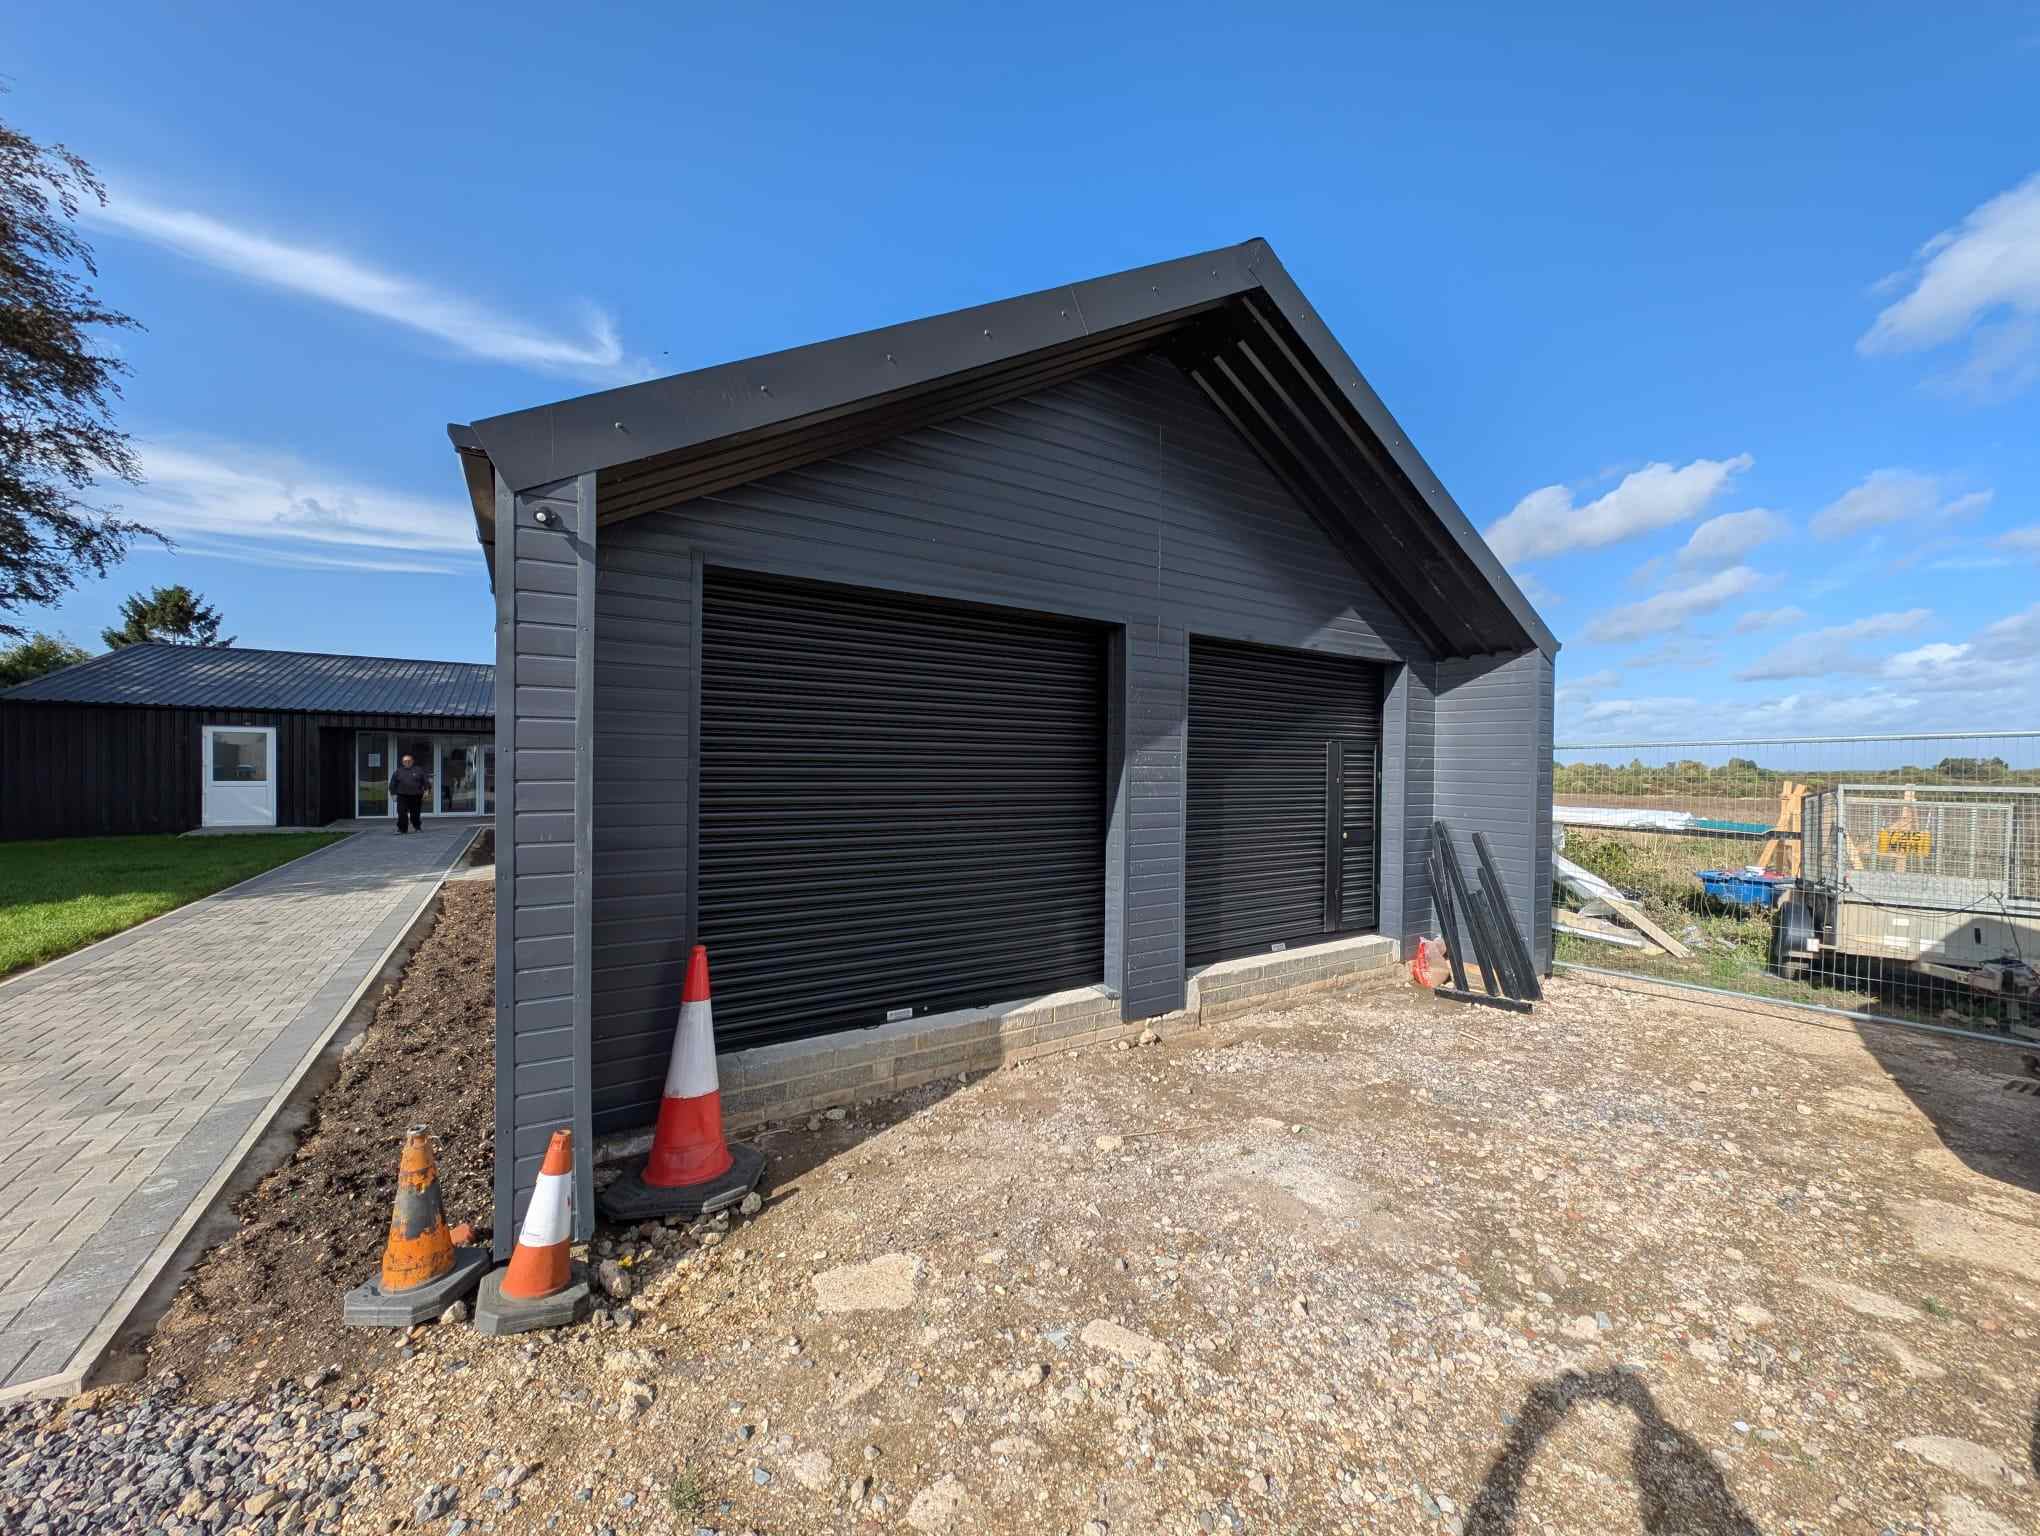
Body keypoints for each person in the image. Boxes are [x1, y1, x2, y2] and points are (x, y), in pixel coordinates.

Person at [388, 753, 430, 834]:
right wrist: (393, 794)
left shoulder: (419, 770)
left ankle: (417, 827)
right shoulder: (398, 771)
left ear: (412, 761)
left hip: (416, 795)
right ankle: (402, 829)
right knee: (401, 812)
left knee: (415, 813)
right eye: (405, 761)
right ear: (402, 762)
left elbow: (425, 781)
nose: (407, 762)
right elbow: (393, 783)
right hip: (402, 795)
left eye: (409, 761)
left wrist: (427, 791)